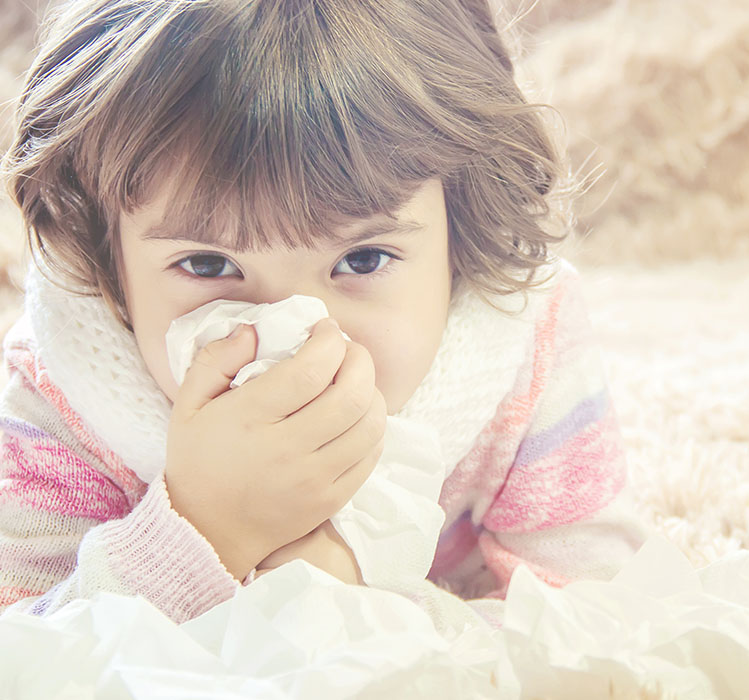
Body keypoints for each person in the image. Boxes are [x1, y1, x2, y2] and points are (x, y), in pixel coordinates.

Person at [0, 0, 648, 624]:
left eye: (362, 260)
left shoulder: (522, 340)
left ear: (463, 233)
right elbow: (25, 648)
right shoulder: (65, 390)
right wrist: (201, 530)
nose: (297, 335)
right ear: (108, 268)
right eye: (207, 266)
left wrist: (362, 602)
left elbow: (596, 618)